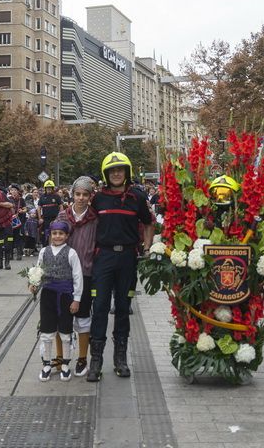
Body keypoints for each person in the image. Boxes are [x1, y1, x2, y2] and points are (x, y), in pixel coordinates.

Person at [86, 152, 153, 382]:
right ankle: (96, 361)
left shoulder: (136, 197)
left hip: (127, 258)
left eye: (120, 170)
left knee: (123, 309)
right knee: (101, 307)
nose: (116, 173)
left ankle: (120, 359)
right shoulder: (98, 199)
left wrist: (146, 248)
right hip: (103, 258)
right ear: (106, 174)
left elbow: (148, 223)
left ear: (127, 172)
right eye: (112, 170)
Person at [56, 175, 98, 376]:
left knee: (82, 316)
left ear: (90, 197)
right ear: (72, 194)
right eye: (78, 194)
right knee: (61, 317)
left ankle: (82, 357)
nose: (81, 198)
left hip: (86, 272)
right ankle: (60, 358)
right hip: (63, 276)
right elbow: (54, 243)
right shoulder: (63, 217)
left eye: (85, 195)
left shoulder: (95, 218)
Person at [33, 220, 83, 382]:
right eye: (54, 233)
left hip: (65, 296)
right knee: (47, 332)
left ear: (67, 236)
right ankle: (47, 364)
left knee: (65, 332)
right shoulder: (44, 252)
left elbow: (78, 277)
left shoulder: (71, 253)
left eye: (61, 233)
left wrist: (76, 300)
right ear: (50, 235)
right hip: (48, 295)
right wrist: (33, 284)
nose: (57, 236)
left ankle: (65, 365)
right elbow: (38, 271)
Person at [38, 180, 63, 248]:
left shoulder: (56, 196)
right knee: (46, 233)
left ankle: (55, 246)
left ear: (52, 188)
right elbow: (39, 208)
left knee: (55, 232)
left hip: (55, 219)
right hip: (45, 219)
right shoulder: (42, 197)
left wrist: (60, 217)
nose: (49, 189)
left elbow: (61, 206)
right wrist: (40, 218)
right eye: (47, 188)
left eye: (50, 188)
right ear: (45, 188)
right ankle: (46, 247)